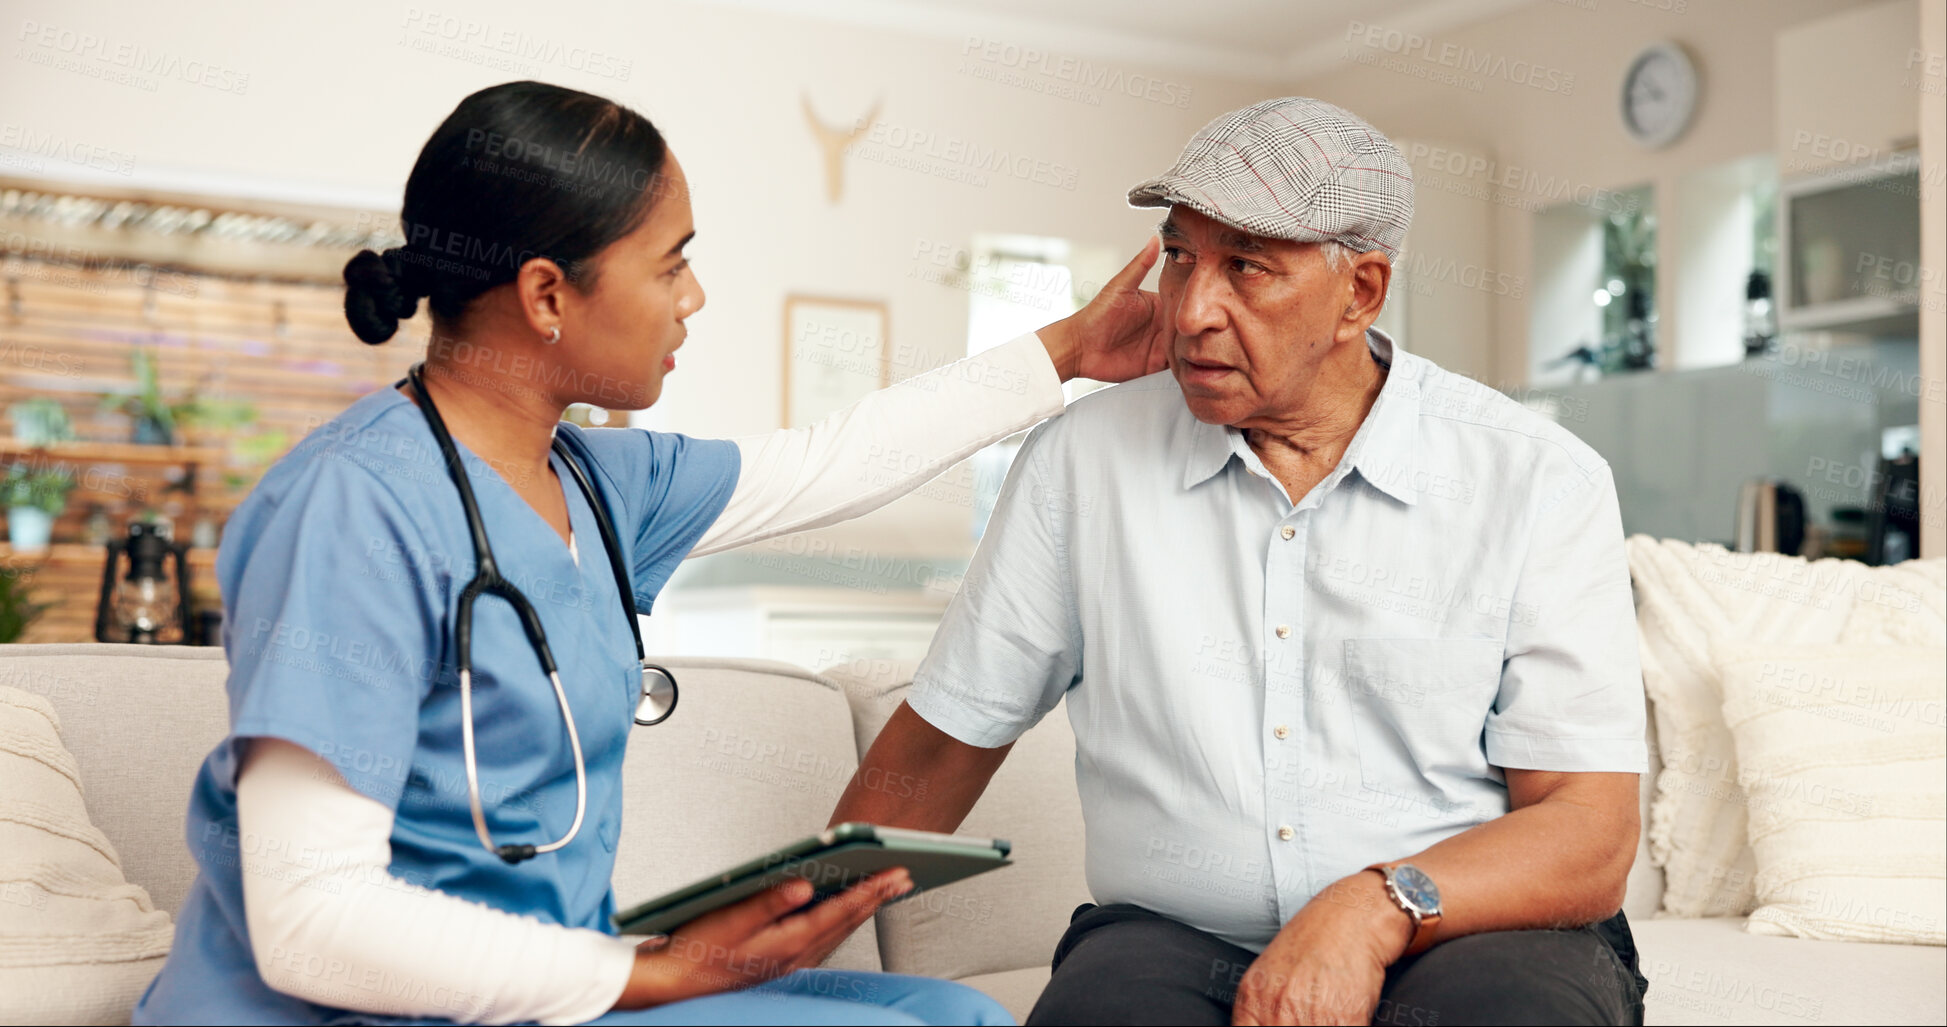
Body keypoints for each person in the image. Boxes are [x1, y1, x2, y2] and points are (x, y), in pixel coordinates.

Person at [131, 80, 1170, 1026]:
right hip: (360, 1010)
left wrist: (1071, 350)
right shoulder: (351, 508)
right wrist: (648, 973)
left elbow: (832, 461)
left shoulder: (596, 479)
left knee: (960, 1015)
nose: (695, 296)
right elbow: (312, 922)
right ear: (546, 296)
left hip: (547, 986)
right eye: (670, 262)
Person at [831, 97, 1651, 1026]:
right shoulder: (1081, 462)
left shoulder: (1537, 478)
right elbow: (943, 743)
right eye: (1178, 256)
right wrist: (756, 943)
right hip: (1169, 936)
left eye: (1244, 267)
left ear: (1362, 292)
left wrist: (1373, 903)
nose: (1189, 311)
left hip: (1464, 925)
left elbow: (1587, 832)